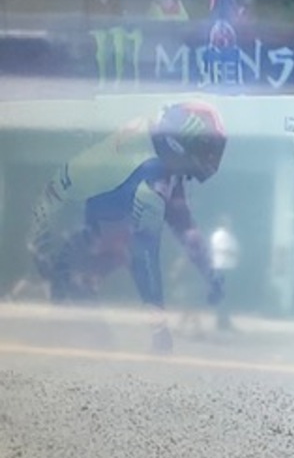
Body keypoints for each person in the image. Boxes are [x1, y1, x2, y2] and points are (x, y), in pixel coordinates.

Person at [25, 101, 228, 352]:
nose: (210, 159)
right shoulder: (150, 178)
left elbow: (183, 227)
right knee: (91, 347)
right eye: (206, 149)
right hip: (75, 253)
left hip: (79, 241)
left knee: (95, 343)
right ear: (178, 144)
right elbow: (145, 254)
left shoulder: (158, 158)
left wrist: (209, 273)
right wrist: (158, 326)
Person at [209, 216, 240, 331]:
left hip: (227, 267)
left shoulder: (229, 235)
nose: (230, 224)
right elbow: (223, 249)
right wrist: (232, 252)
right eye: (228, 222)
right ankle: (222, 322)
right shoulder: (219, 235)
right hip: (222, 267)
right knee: (223, 296)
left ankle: (224, 320)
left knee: (225, 296)